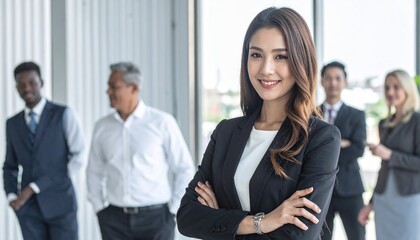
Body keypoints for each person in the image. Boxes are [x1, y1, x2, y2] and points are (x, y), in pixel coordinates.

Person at [177, 7, 341, 239]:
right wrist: (263, 222)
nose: (266, 69)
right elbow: (186, 217)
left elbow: (298, 236)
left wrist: (222, 221)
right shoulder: (226, 132)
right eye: (256, 55)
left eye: (280, 56)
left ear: (300, 61)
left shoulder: (320, 138)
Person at [86, 62, 195, 240]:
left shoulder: (162, 123)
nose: (108, 91)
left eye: (113, 86)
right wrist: (100, 209)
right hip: (113, 220)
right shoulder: (102, 127)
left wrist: (173, 211)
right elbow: (93, 171)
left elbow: (184, 168)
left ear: (134, 88)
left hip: (156, 219)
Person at [2, 61, 85, 240]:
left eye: (32, 82)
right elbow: (10, 165)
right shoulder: (12, 123)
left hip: (61, 204)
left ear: (42, 82)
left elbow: (77, 156)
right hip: (28, 209)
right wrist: (11, 196)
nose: (27, 88)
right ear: (16, 88)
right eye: (21, 85)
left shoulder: (64, 114)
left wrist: (37, 186)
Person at [358, 69, 420, 240]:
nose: (390, 92)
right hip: (383, 197)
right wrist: (370, 204)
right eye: (387, 87)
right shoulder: (384, 123)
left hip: (409, 197)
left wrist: (390, 155)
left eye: (396, 87)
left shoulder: (417, 121)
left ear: (407, 89)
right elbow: (383, 167)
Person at [320, 61, 366, 240]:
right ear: (322, 81)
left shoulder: (356, 115)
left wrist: (324, 150)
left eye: (338, 78)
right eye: (329, 78)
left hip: (350, 189)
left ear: (345, 82)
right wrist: (340, 144)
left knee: (357, 236)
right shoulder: (311, 113)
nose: (333, 83)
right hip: (321, 190)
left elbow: (358, 149)